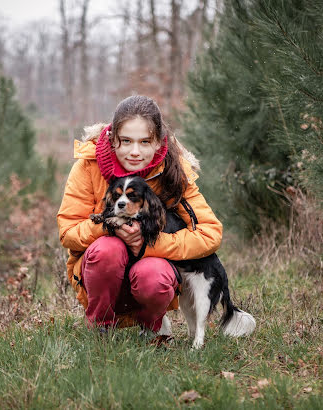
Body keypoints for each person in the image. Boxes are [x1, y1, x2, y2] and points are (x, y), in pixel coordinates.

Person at [57, 95, 222, 334]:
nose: (135, 152)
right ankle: (101, 327)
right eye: (126, 141)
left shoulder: (173, 172)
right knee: (107, 250)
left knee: (153, 274)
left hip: (151, 272)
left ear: (158, 142)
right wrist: (108, 228)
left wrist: (147, 245)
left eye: (145, 142)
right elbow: (68, 233)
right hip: (100, 272)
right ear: (113, 140)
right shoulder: (87, 167)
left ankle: (152, 326)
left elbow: (210, 234)